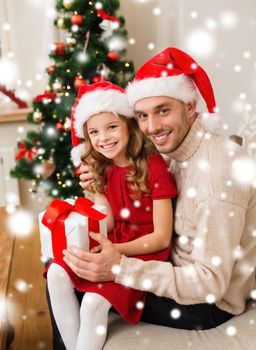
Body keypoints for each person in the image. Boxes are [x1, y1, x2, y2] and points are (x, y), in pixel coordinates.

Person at [62, 47, 256, 332]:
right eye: (142, 116)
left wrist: (120, 267)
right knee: (63, 268)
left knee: (79, 285)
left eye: (163, 111)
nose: (151, 127)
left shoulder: (219, 175)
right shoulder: (171, 151)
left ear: (190, 106)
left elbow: (210, 284)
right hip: (169, 264)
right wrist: (96, 180)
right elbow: (130, 184)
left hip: (206, 304)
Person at [46, 81, 177, 350]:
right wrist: (96, 190)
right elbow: (109, 223)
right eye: (94, 132)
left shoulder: (154, 166)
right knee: (56, 272)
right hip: (113, 241)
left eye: (112, 127)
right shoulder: (103, 167)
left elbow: (162, 237)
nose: (103, 138)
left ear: (129, 125)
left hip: (143, 252)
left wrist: (114, 251)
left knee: (94, 303)